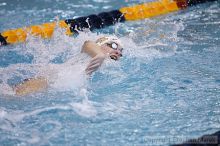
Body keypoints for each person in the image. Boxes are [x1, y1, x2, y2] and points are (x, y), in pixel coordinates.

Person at [13, 36, 123, 96]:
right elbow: (87, 43)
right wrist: (99, 55)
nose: (118, 52)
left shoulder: (108, 69)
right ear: (100, 44)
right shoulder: (91, 54)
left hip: (54, 88)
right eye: (114, 45)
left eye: (120, 51)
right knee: (12, 96)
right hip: (48, 80)